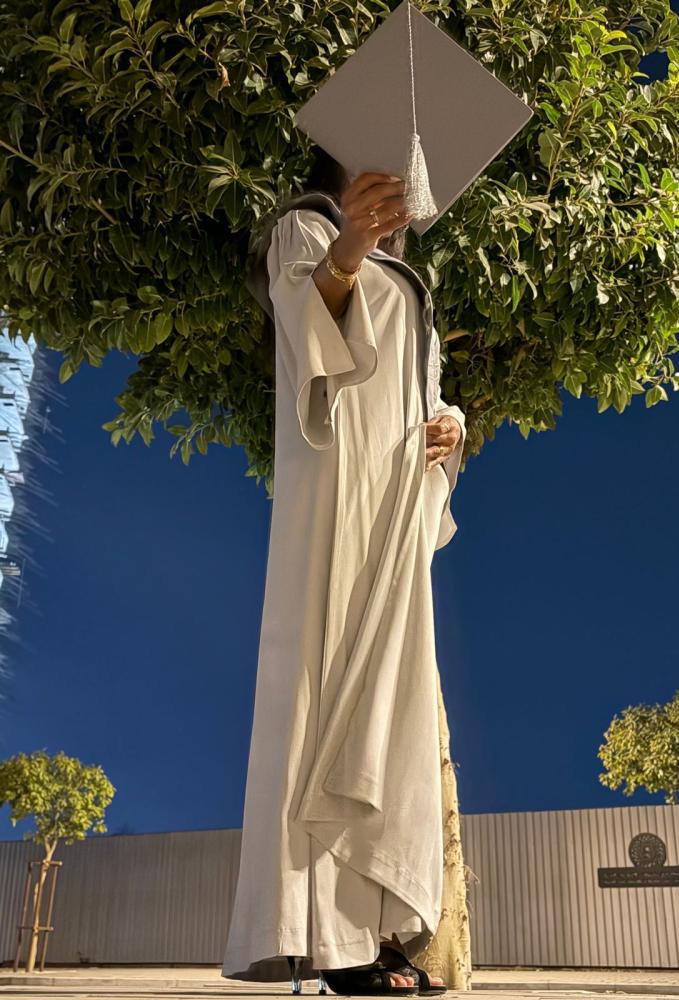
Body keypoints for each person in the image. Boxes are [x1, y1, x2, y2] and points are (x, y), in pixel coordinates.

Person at [221, 146, 467, 996]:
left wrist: (450, 426)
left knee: (394, 706)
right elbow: (306, 325)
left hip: (397, 505)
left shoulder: (411, 278)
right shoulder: (307, 225)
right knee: (322, 683)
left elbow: (424, 387)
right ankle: (326, 937)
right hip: (339, 488)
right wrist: (349, 247)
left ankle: (383, 928)